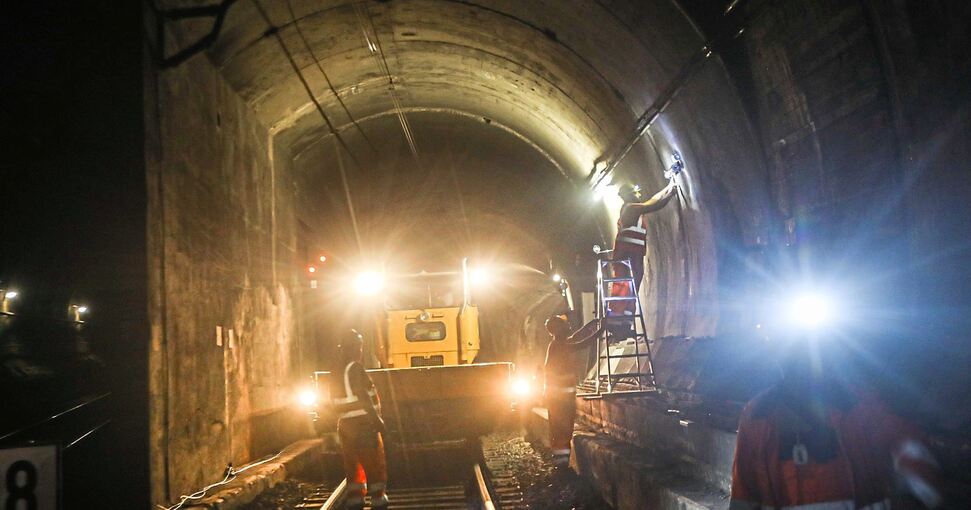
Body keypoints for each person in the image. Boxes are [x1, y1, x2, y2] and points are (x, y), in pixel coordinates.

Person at [729, 338, 943, 509]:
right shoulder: (758, 415)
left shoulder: (859, 406)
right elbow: (745, 493)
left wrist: (916, 496)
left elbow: (909, 450)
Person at [330, 329, 389, 510]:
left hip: (346, 425)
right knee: (373, 462)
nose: (360, 350)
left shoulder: (337, 370)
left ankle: (356, 500)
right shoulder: (354, 368)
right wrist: (377, 420)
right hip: (362, 424)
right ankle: (378, 499)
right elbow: (363, 395)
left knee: (353, 464)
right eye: (359, 346)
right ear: (355, 347)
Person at [608, 181, 678, 317]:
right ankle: (617, 321)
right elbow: (654, 205)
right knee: (625, 287)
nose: (638, 196)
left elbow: (651, 201)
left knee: (633, 287)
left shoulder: (634, 208)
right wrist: (670, 195)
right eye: (635, 194)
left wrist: (668, 186)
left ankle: (625, 323)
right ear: (629, 195)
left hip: (634, 253)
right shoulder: (631, 208)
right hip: (626, 254)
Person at [544, 315, 604, 464]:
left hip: (559, 395)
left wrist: (591, 324)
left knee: (561, 427)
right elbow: (581, 344)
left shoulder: (558, 342)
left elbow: (576, 337)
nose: (568, 326)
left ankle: (560, 460)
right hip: (560, 397)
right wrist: (601, 330)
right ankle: (561, 462)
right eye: (564, 325)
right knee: (562, 427)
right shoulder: (558, 345)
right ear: (557, 329)